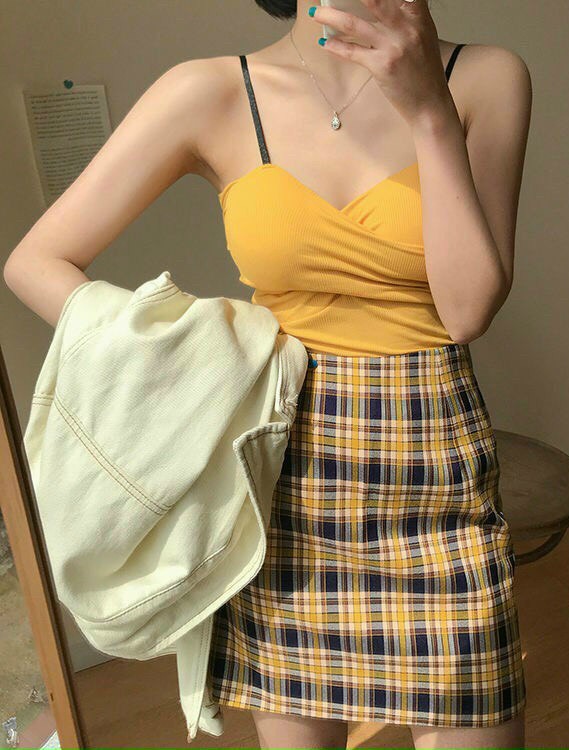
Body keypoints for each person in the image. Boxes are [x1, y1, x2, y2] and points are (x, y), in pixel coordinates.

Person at [4, 0, 532, 747]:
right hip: (279, 481)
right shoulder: (213, 91)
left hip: (435, 477)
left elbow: (468, 308)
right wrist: (185, 364)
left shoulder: (485, 78)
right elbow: (36, 260)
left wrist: (427, 110)